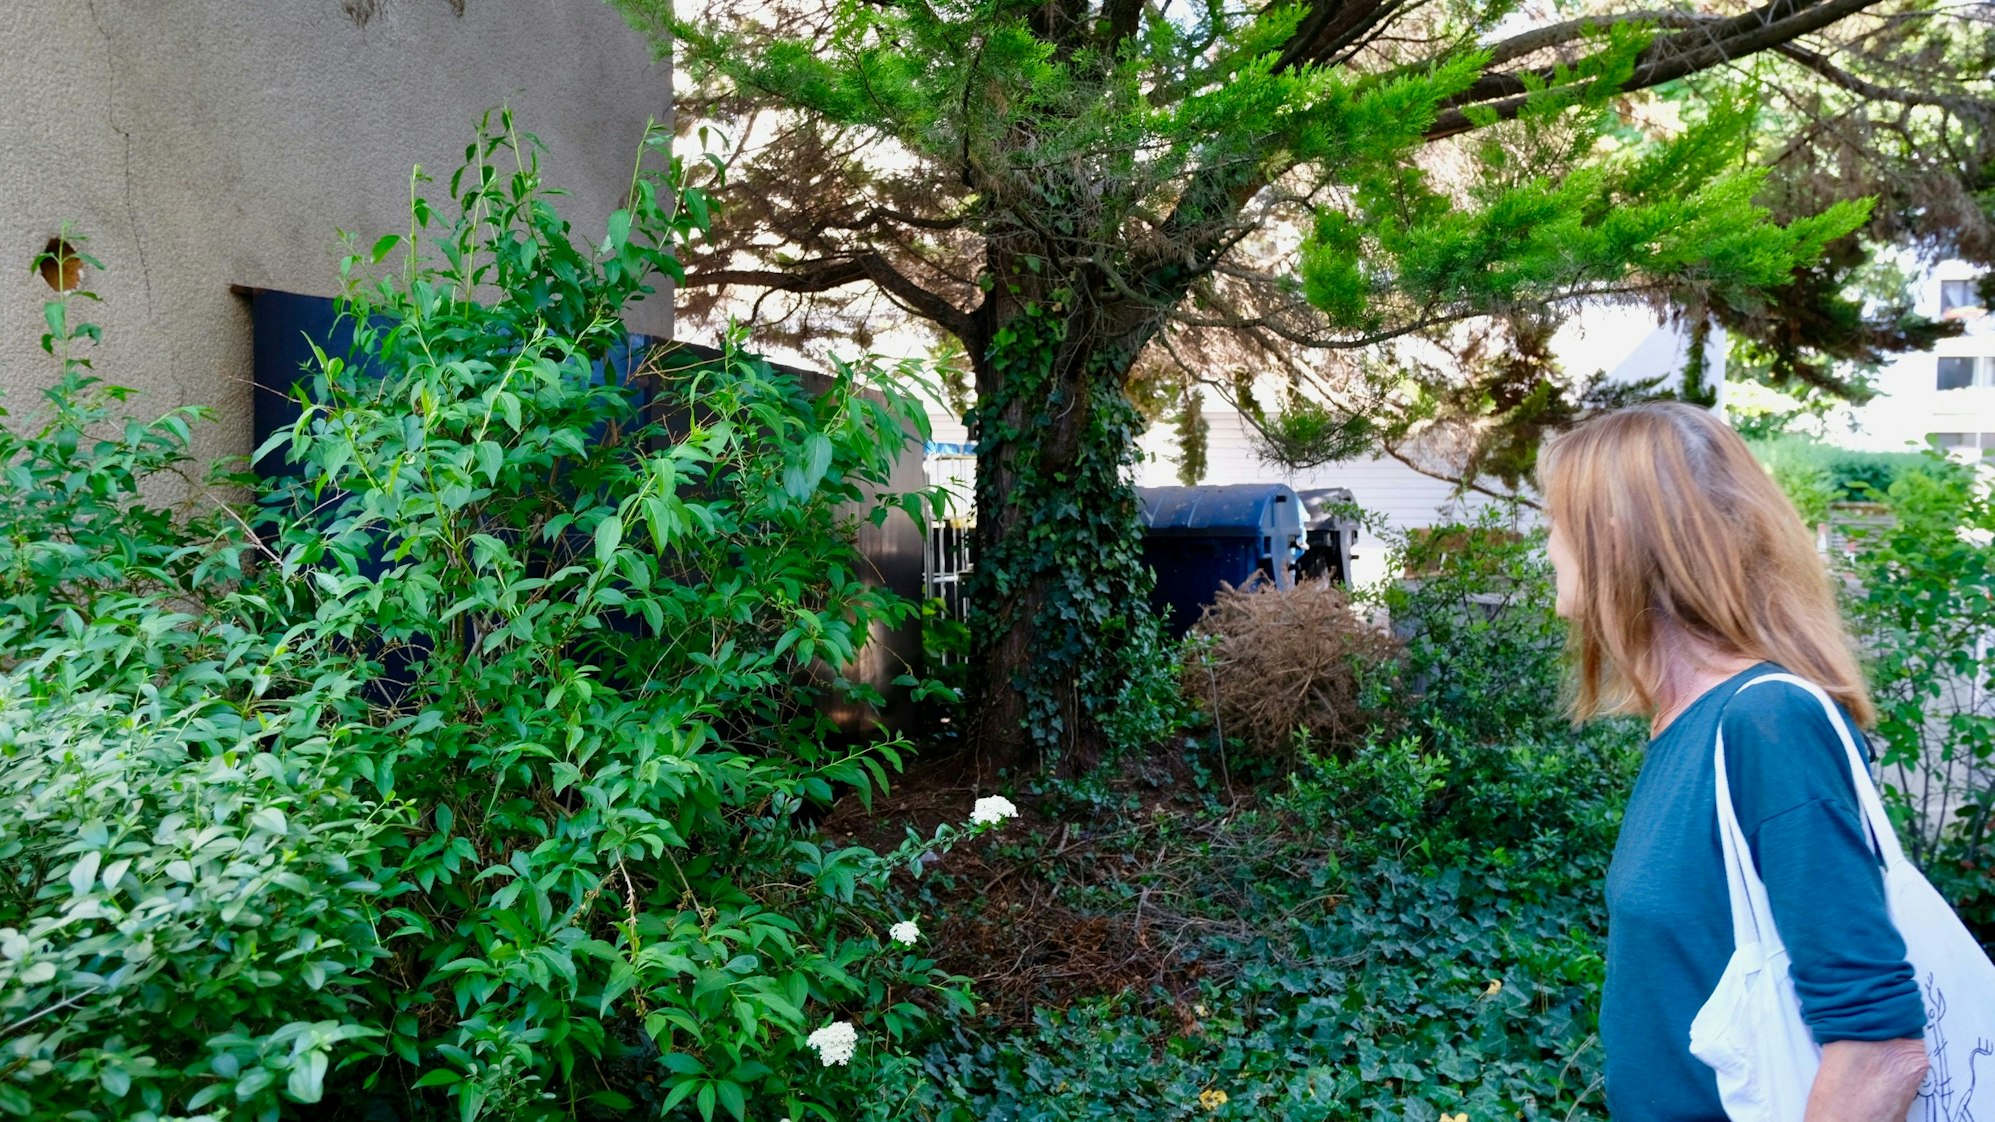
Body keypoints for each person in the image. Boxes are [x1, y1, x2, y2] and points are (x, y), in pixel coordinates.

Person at [1536, 403, 1929, 1122]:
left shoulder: (1766, 723)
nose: (1547, 546)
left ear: (1613, 537)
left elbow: (1880, 1051)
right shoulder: (1684, 727)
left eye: (1555, 522)